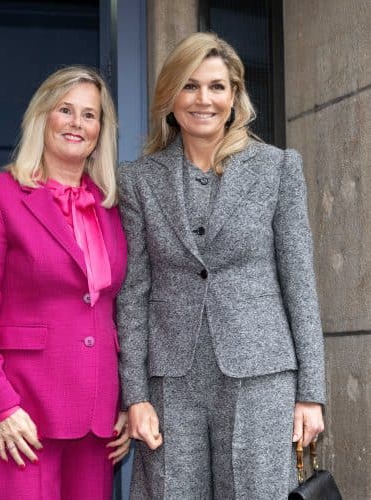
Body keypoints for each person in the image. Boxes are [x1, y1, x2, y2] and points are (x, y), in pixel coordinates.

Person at [116, 32, 326, 499]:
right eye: (190, 86)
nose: (203, 99)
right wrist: (135, 396)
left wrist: (311, 393)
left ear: (234, 96)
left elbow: (299, 283)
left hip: (261, 375)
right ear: (170, 97)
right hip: (171, 381)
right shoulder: (138, 180)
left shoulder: (277, 169)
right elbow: (133, 295)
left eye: (216, 86)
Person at [0, 66, 130, 500]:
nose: (77, 123)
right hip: (24, 410)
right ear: (42, 117)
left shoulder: (112, 207)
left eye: (90, 115)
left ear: (100, 131)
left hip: (98, 416)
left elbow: (120, 309)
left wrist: (127, 400)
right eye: (65, 110)